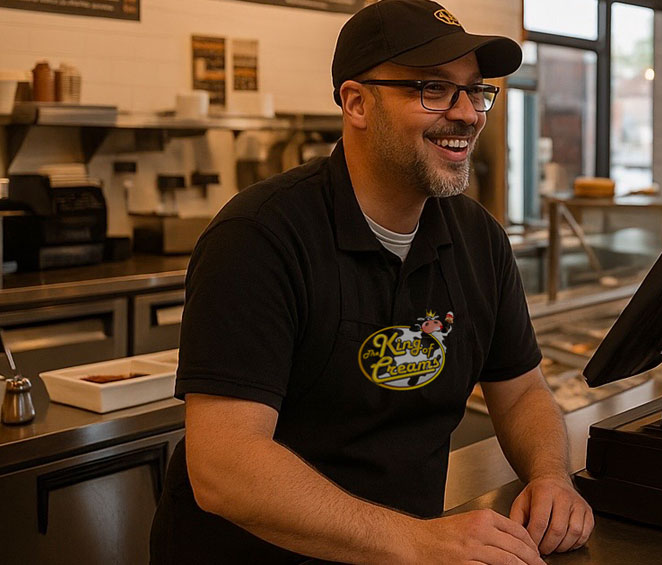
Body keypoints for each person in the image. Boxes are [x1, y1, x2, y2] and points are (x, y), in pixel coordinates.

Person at [150, 2, 592, 563]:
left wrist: (551, 477)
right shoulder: (258, 238)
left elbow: (523, 391)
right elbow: (224, 465)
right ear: (356, 103)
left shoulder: (478, 238)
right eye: (433, 89)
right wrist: (413, 539)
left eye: (474, 90)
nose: (468, 113)